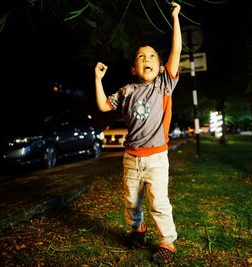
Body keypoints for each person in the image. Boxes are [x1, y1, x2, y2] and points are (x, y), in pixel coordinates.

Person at [94, 2, 182, 264]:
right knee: (131, 201)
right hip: (131, 157)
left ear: (160, 66)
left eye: (153, 56)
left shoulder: (164, 84)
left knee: (159, 202)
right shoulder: (126, 91)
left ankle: (167, 242)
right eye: (142, 57)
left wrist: (175, 18)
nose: (148, 59)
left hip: (156, 157)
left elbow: (176, 50)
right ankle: (138, 230)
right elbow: (102, 105)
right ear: (133, 68)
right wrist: (98, 80)